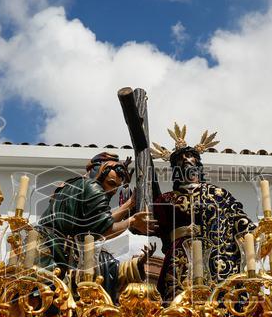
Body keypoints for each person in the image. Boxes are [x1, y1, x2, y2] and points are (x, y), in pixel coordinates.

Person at [149, 125, 254, 300]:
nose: (189, 169)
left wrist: (251, 235)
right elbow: (149, 224)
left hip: (214, 255)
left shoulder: (218, 194)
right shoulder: (165, 199)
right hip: (180, 256)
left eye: (193, 165)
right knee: (177, 301)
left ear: (199, 168)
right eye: (183, 166)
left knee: (215, 300)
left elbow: (239, 219)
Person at [37, 152, 156, 301]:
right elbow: (103, 231)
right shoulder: (93, 187)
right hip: (53, 250)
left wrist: (129, 204)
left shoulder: (74, 184)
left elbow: (99, 222)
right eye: (111, 183)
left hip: (49, 245)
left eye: (117, 187)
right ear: (98, 174)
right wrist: (131, 222)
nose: (113, 191)